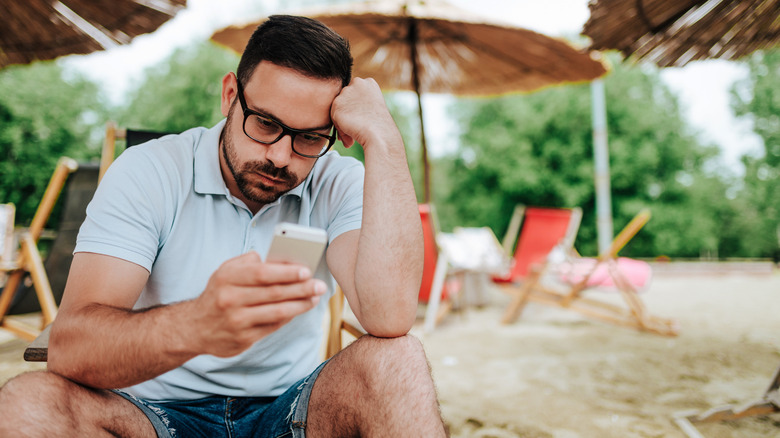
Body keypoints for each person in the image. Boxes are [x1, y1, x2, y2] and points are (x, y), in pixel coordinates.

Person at [0, 15, 446, 437]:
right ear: (230, 95)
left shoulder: (336, 180)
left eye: (310, 137)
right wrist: (196, 324)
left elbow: (390, 317)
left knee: (397, 359)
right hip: (151, 416)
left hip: (290, 411)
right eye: (266, 124)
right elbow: (70, 348)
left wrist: (385, 141)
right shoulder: (149, 171)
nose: (280, 157)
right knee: (29, 401)